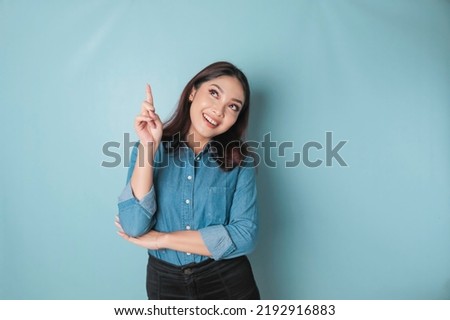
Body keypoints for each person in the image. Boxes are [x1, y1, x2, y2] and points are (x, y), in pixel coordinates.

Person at [115, 61, 260, 300]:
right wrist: (149, 146)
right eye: (214, 93)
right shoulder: (149, 149)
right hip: (165, 283)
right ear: (193, 92)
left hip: (227, 281)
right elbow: (133, 226)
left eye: (233, 106)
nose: (219, 110)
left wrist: (162, 239)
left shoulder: (240, 162)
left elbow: (246, 236)